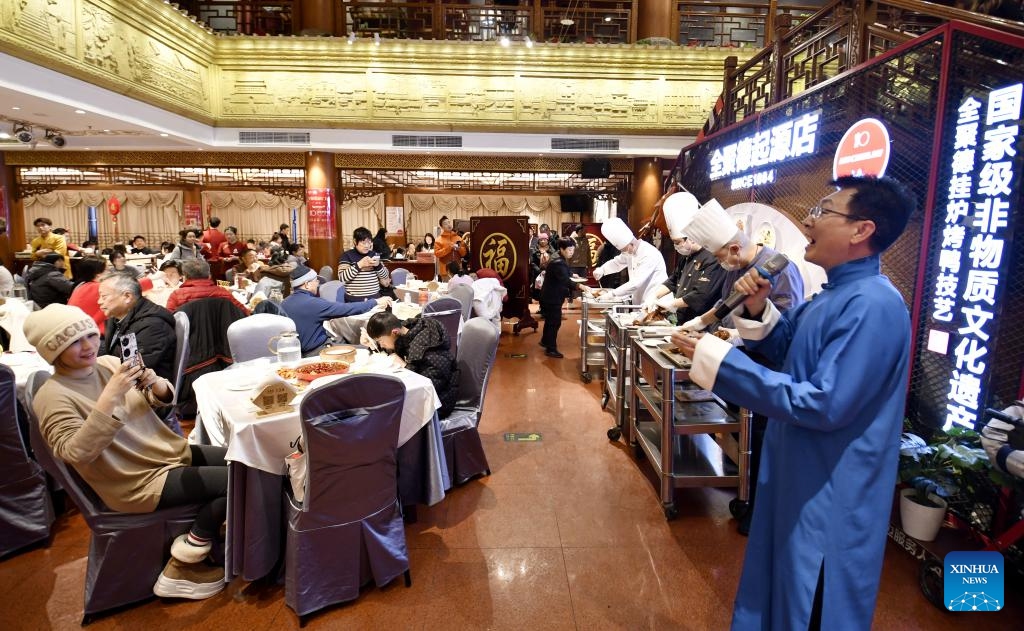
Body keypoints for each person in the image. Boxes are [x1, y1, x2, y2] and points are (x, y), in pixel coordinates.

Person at [670, 176, 915, 630]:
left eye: (824, 211)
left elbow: (824, 404)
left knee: (812, 596)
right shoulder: (834, 295)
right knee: (779, 581)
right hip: (797, 472)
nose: (807, 220)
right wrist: (759, 310)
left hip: (829, 491)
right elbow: (788, 353)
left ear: (861, 230)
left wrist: (717, 359)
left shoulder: (875, 305)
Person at [23, 304, 227, 600]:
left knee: (247, 462)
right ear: (52, 352)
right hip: (135, 480)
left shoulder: (107, 364)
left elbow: (157, 402)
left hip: (162, 455)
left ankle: (216, 536)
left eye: (90, 336)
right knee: (238, 480)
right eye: (73, 342)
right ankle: (184, 562)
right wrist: (112, 395)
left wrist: (154, 384)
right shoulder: (53, 396)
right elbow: (76, 453)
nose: (87, 347)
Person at [644, 192, 728, 323]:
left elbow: (701, 295)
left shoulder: (713, 257)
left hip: (703, 322)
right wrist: (654, 295)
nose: (676, 247)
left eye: (678, 242)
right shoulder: (687, 256)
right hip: (683, 319)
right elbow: (673, 280)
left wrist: (673, 304)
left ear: (692, 237)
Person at [365, 311, 459, 418]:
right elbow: (394, 346)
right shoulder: (405, 332)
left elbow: (429, 386)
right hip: (418, 398)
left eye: (380, 341)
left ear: (394, 332)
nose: (381, 344)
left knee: (380, 412)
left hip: (437, 403)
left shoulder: (429, 346)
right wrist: (372, 345)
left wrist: (405, 366)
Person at [282, 265, 390, 355]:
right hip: (318, 351)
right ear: (306, 284)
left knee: (342, 339)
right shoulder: (314, 304)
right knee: (367, 352)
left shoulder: (284, 302)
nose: (318, 283)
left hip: (298, 351)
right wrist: (375, 302)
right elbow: (347, 309)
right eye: (316, 280)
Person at [97, 271, 177, 382]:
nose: (99, 301)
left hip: (146, 391)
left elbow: (134, 371)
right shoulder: (117, 318)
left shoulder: (153, 325)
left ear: (127, 296)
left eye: (104, 297)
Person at [591, 218, 667, 305]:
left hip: (656, 302)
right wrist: (602, 270)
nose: (623, 252)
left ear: (631, 244)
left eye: (624, 250)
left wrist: (612, 294)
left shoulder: (649, 254)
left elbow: (635, 284)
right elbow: (617, 262)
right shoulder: (630, 251)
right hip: (640, 302)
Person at [538, 238, 577, 358]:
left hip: (550, 295)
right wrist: (580, 286)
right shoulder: (558, 261)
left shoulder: (558, 258)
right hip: (552, 296)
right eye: (569, 250)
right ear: (562, 249)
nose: (571, 252)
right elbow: (564, 280)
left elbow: (565, 272)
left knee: (550, 321)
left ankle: (545, 341)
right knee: (554, 322)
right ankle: (551, 349)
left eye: (573, 250)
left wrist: (572, 274)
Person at [166, 258, 249, 314]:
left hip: (189, 338)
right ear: (209, 275)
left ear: (185, 277)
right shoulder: (222, 292)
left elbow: (169, 319)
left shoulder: (177, 295)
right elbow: (245, 312)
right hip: (222, 337)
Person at [337, 227, 391, 303]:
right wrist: (359, 265)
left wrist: (378, 266)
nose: (367, 246)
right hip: (354, 301)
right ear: (355, 241)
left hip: (375, 299)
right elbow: (342, 277)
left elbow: (385, 276)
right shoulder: (347, 255)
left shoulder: (374, 254)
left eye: (369, 242)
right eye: (363, 242)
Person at [68, 256, 117, 333]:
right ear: (98, 275)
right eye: (107, 270)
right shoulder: (100, 287)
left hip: (77, 332)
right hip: (95, 335)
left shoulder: (81, 286)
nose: (110, 272)